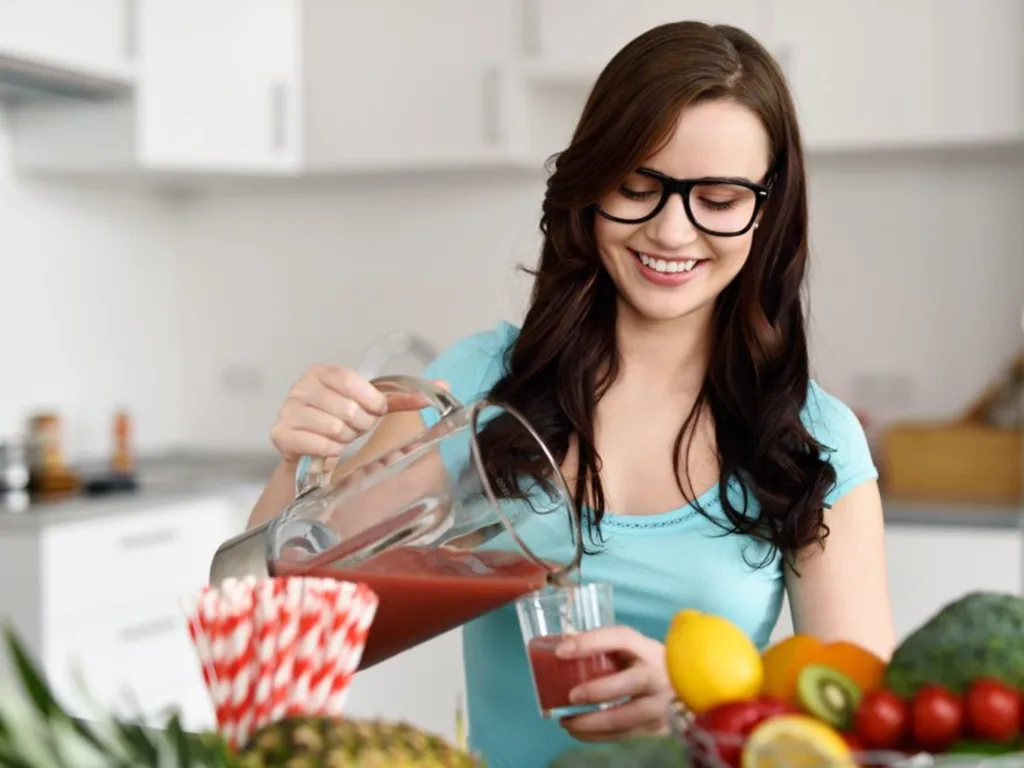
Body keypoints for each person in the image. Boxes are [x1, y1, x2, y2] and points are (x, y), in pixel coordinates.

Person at [248, 19, 895, 767]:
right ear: (591, 187)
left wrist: (696, 708)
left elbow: (864, 732)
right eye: (639, 187)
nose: (673, 231)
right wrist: (303, 464)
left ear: (768, 207)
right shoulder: (482, 386)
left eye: (716, 198)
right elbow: (277, 633)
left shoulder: (812, 438)